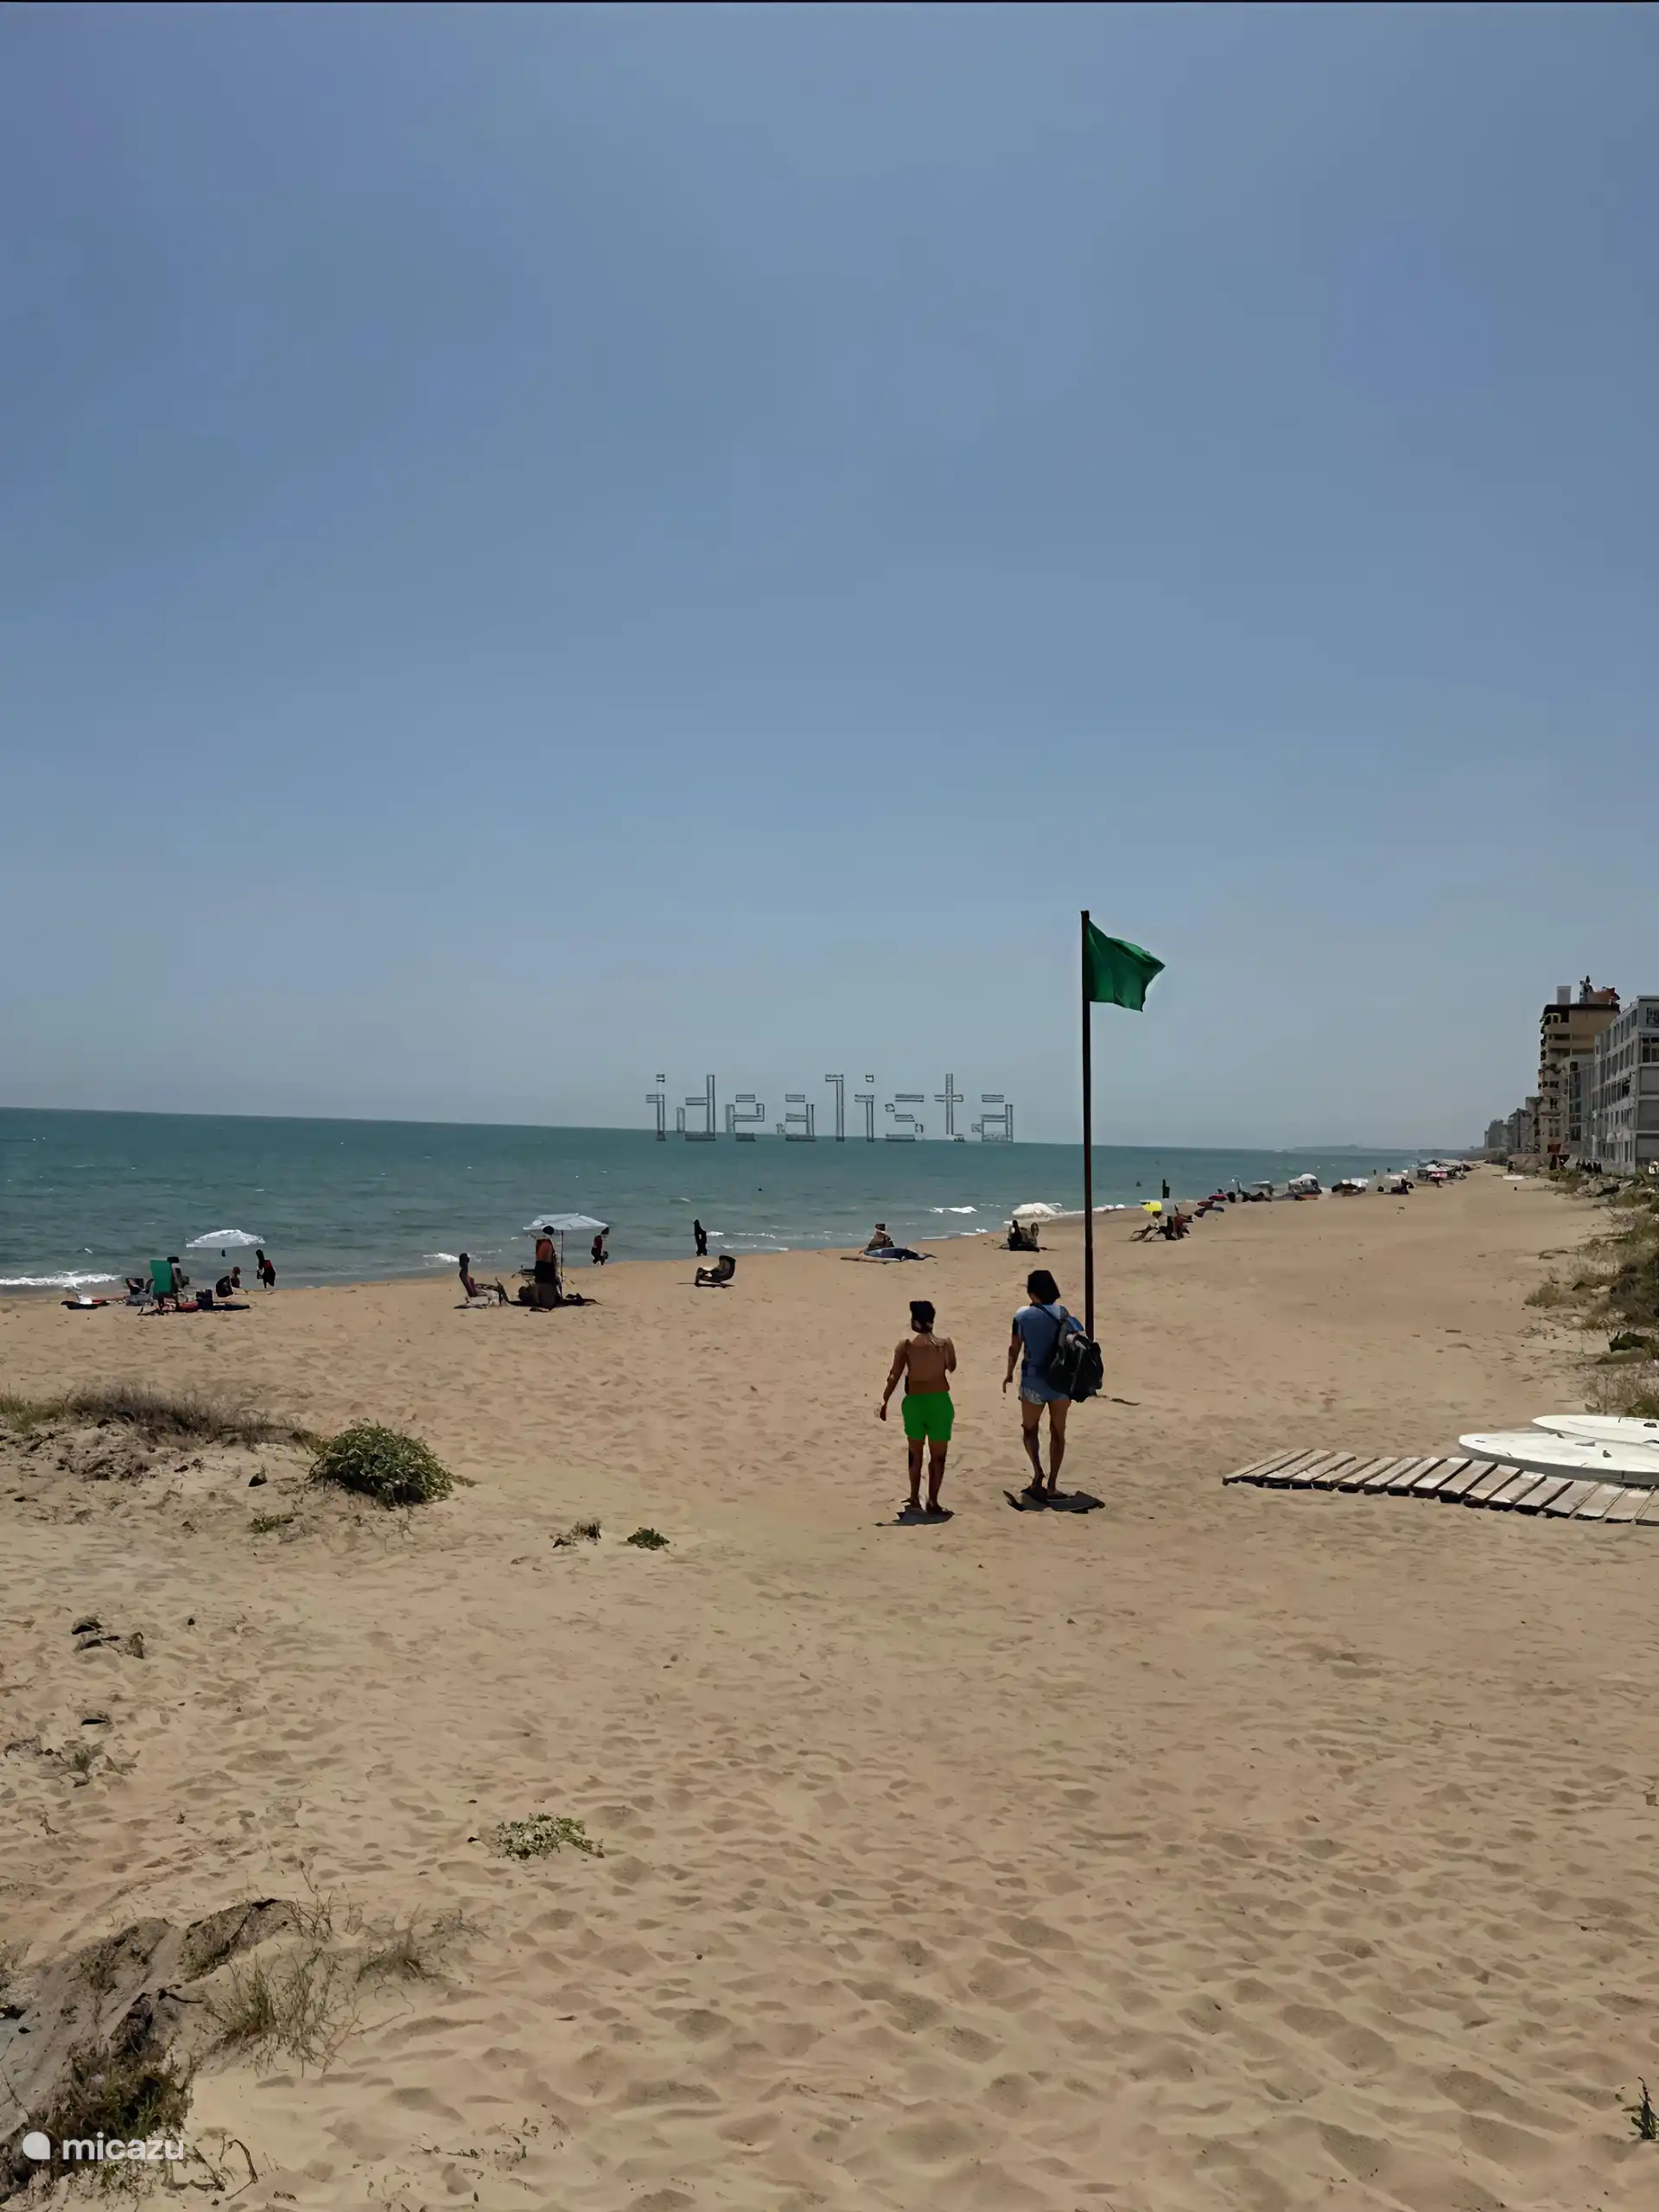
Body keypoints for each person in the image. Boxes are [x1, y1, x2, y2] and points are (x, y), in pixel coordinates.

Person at [1004, 1268, 1077, 1503]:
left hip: (1033, 1381)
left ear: (1032, 1292)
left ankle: (1038, 1475)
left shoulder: (1022, 1316)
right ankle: (1053, 1485)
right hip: (1061, 1382)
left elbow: (1015, 1348)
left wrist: (1008, 1373)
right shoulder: (1063, 1313)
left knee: (1030, 1429)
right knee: (1058, 1432)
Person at [878, 1299, 957, 1516]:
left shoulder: (906, 1346)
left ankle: (914, 1497)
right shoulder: (945, 1344)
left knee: (915, 1452)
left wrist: (885, 1401)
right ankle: (933, 1502)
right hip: (940, 1403)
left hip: (914, 1403)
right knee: (938, 1456)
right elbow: (952, 1366)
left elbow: (894, 1376)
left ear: (914, 1321)